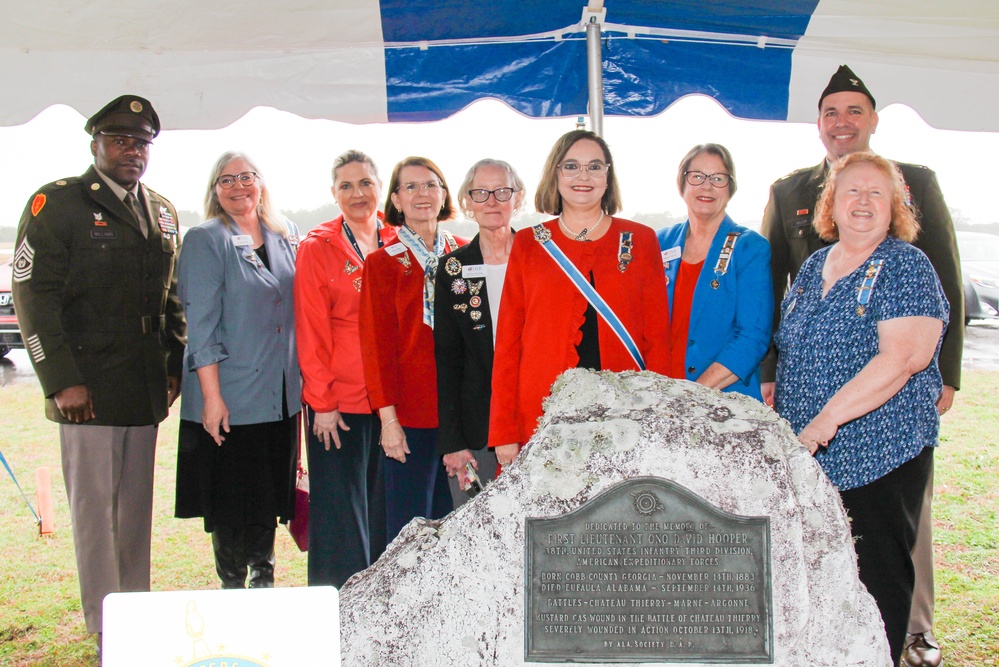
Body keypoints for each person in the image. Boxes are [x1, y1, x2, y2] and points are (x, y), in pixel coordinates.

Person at [760, 64, 962, 667]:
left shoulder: (905, 264)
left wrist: (825, 420)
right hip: (814, 455)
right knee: (825, 574)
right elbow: (788, 335)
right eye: (852, 192)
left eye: (878, 193)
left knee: (877, 577)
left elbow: (901, 359)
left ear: (898, 204)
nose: (864, 202)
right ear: (831, 203)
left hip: (877, 449)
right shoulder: (817, 265)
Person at [10, 95, 186, 654]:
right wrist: (61, 380)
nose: (131, 152)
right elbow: (33, 295)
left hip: (141, 383)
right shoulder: (56, 204)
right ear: (96, 144)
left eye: (140, 144)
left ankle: (135, 608)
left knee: (134, 508)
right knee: (94, 509)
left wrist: (173, 364)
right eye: (120, 141)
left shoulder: (160, 210)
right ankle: (107, 624)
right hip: (85, 385)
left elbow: (171, 297)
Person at [488, 130, 670, 464]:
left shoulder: (640, 240)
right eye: (571, 166)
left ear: (607, 175)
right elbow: (508, 344)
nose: (582, 176)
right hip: (542, 414)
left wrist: (659, 416)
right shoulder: (529, 244)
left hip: (625, 415)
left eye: (594, 166)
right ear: (555, 174)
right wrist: (504, 431)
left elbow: (658, 339)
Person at [174, 152, 301, 589]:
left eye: (246, 177)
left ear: (261, 183)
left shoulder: (284, 237)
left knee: (267, 500)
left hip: (280, 397)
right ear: (215, 190)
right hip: (229, 397)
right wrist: (211, 398)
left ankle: (263, 583)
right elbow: (201, 325)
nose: (238, 186)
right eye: (226, 180)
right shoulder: (205, 240)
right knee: (231, 504)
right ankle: (232, 588)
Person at [295, 150, 393, 587]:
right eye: (347, 186)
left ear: (379, 186)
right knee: (339, 515)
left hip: (390, 404)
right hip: (339, 404)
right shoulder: (317, 249)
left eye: (365, 183)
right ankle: (337, 606)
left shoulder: (398, 238)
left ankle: (378, 602)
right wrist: (323, 403)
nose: (358, 194)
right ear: (333, 194)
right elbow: (311, 330)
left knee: (380, 509)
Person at [359, 156, 463, 542]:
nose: (423, 194)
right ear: (396, 200)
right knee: (409, 530)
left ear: (444, 194)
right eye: (411, 187)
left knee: (456, 527)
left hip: (460, 416)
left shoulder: (467, 255)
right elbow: (376, 349)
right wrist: (388, 421)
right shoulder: (382, 264)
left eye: (431, 185)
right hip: (409, 418)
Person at [434, 159, 524, 505]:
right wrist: (453, 443)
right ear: (467, 201)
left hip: (534, 420)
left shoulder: (540, 258)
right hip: (475, 430)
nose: (491, 201)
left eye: (502, 191)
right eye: (480, 192)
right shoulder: (453, 269)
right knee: (474, 527)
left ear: (518, 199)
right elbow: (447, 359)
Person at [656, 144, 772, 400]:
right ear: (681, 184)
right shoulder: (658, 242)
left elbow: (753, 338)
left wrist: (692, 395)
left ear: (730, 188)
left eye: (718, 178)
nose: (706, 186)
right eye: (696, 176)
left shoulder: (750, 247)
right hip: (661, 396)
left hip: (724, 400)